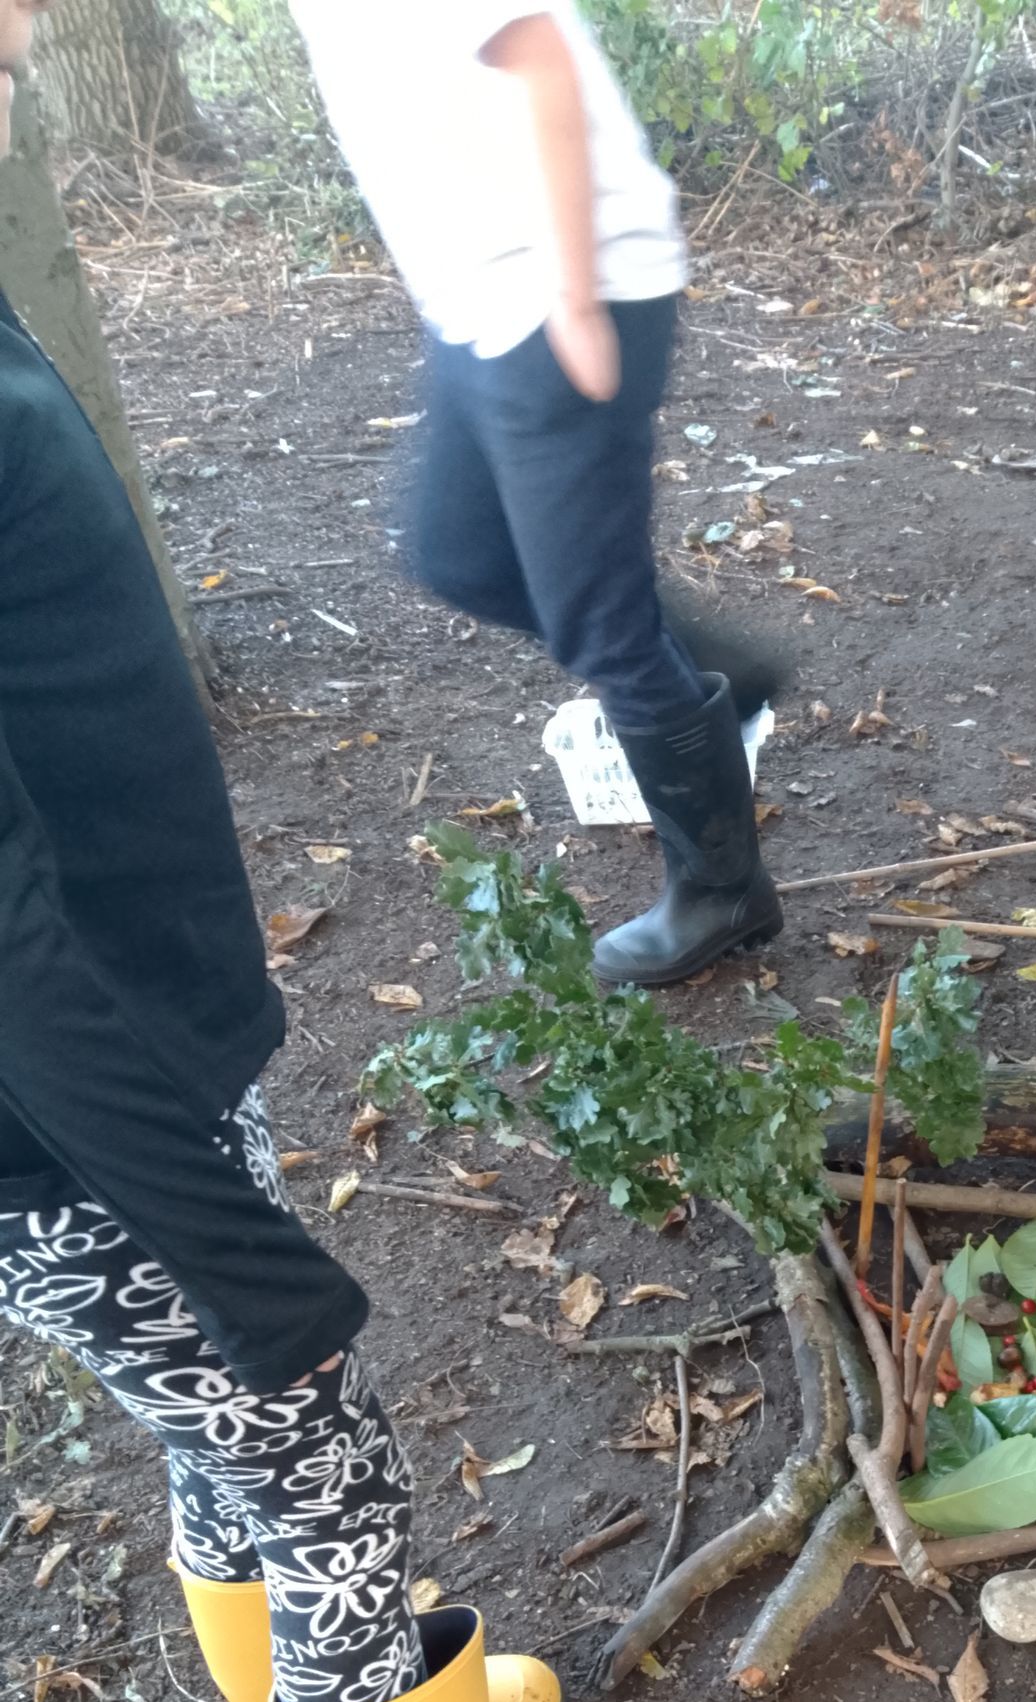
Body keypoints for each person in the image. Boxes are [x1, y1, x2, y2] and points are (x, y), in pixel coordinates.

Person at [0, 0, 667, 1702]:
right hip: (64, 1114)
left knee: (225, 1432)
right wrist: (224, 1245)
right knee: (314, 1444)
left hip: (137, 1031)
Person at [289, 1, 783, 991]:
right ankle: (707, 676)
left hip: (555, 296)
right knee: (457, 555)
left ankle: (723, 888)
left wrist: (575, 301)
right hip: (475, 306)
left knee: (602, 627)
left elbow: (542, 59)